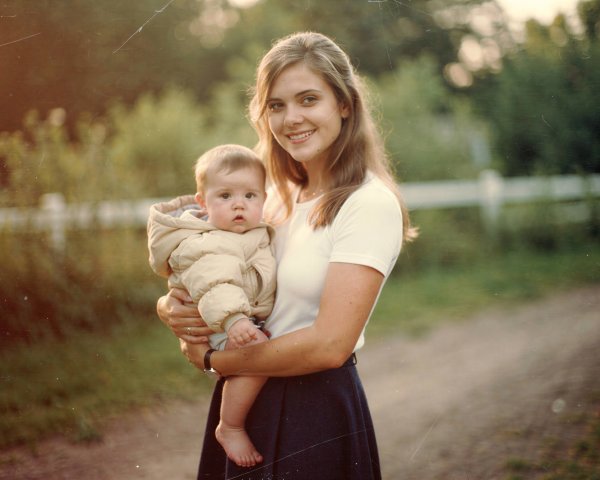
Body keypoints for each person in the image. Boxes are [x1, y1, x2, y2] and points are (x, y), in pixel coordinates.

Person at [156, 31, 416, 480]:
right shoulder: (270, 198)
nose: (291, 118)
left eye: (308, 99)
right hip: (244, 399)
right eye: (276, 105)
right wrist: (170, 309)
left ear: (345, 104)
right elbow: (206, 260)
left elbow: (329, 345)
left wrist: (210, 360)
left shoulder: (367, 203)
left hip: (313, 409)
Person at [147, 144, 276, 468]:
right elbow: (215, 285)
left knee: (257, 353)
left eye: (250, 196)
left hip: (233, 317)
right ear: (202, 203)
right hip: (219, 322)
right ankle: (229, 426)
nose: (239, 205)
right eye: (225, 196)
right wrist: (235, 321)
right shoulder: (208, 241)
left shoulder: (244, 233)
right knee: (257, 354)